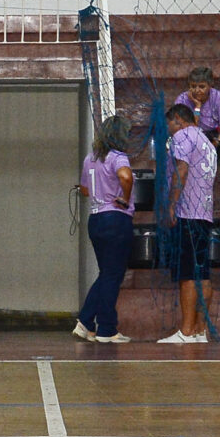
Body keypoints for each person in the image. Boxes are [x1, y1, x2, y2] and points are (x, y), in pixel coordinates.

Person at [74, 113, 136, 344]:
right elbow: (125, 177)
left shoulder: (90, 158)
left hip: (96, 219)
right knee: (113, 274)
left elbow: (84, 189)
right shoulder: (118, 157)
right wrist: (125, 198)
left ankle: (86, 322)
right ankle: (106, 329)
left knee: (107, 274)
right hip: (115, 219)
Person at [159, 99, 216, 345]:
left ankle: (186, 331)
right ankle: (200, 330)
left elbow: (181, 170)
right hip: (205, 214)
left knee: (187, 274)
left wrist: (172, 203)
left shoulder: (183, 136)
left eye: (169, 126)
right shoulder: (208, 143)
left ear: (178, 120)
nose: (169, 131)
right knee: (203, 273)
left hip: (188, 213)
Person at [180, 67, 220, 212]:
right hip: (191, 139)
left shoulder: (219, 97)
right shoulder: (183, 99)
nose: (197, 90)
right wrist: (197, 107)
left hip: (214, 139)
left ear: (210, 85)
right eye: (193, 86)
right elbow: (188, 129)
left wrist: (215, 143)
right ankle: (186, 198)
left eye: (202, 87)